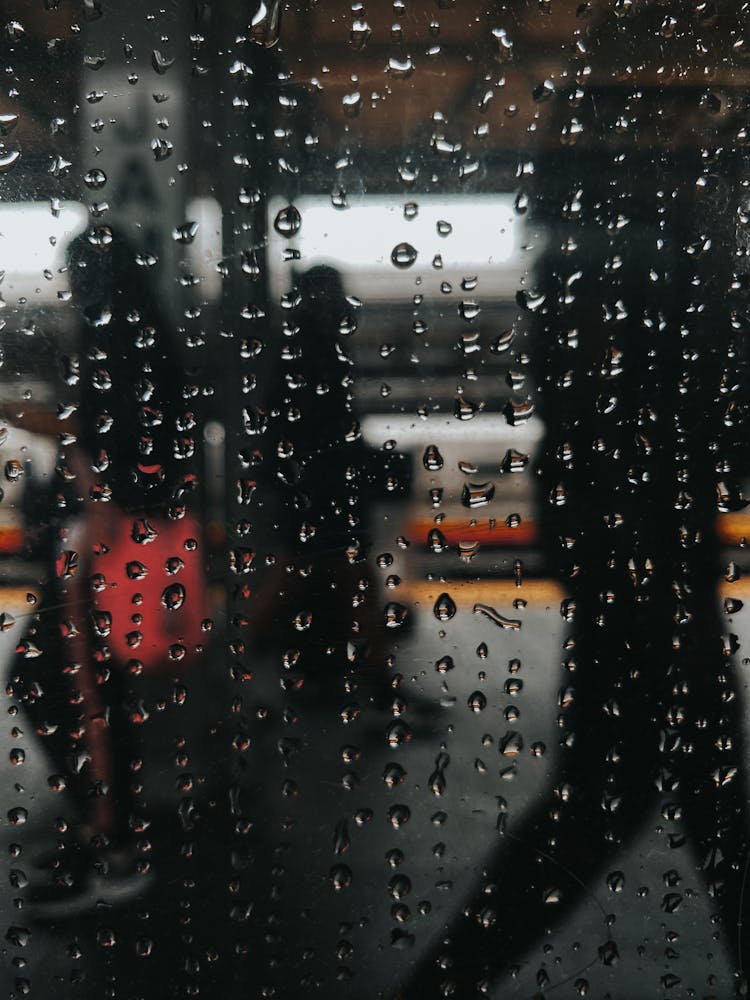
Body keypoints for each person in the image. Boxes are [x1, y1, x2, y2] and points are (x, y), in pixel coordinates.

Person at [397, 5, 750, 996]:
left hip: (637, 535)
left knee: (669, 792)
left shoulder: (604, 206)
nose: (713, 103)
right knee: (629, 793)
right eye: (694, 88)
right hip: (642, 538)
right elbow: (656, 396)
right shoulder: (636, 213)